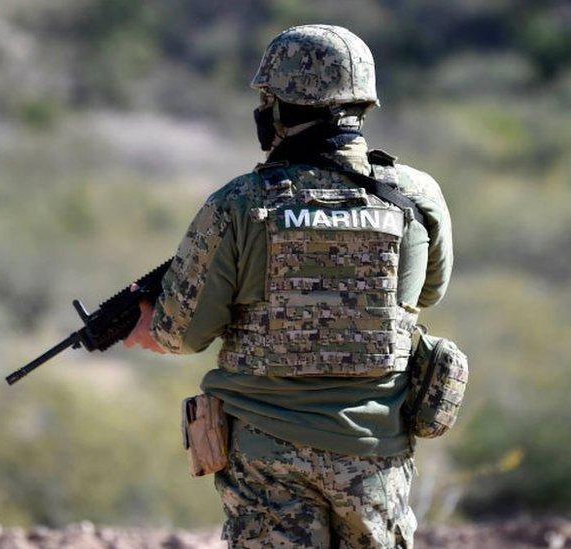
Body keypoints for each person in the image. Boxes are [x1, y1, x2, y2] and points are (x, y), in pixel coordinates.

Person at [124, 24, 453, 548]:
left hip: (266, 453)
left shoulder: (237, 203)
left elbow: (183, 334)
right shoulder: (415, 196)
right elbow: (426, 292)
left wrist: (150, 325)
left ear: (279, 106)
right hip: (375, 453)